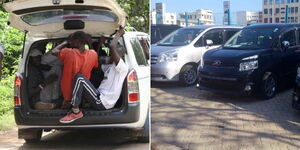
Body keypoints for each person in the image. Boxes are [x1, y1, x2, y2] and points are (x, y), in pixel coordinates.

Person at [59, 29, 129, 124]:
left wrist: (118, 34)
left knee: (79, 78)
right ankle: (75, 103)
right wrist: (98, 44)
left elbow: (112, 46)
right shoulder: (110, 67)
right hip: (99, 96)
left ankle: (75, 111)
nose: (112, 54)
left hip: (103, 102)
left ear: (121, 56)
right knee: (90, 76)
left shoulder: (122, 68)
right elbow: (95, 62)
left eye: (115, 53)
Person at [51, 31, 99, 107]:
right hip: (83, 93)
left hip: (68, 94)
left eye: (71, 40)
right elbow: (96, 66)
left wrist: (65, 42)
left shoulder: (68, 52)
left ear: (77, 41)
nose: (70, 43)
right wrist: (89, 43)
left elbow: (53, 51)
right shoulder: (93, 54)